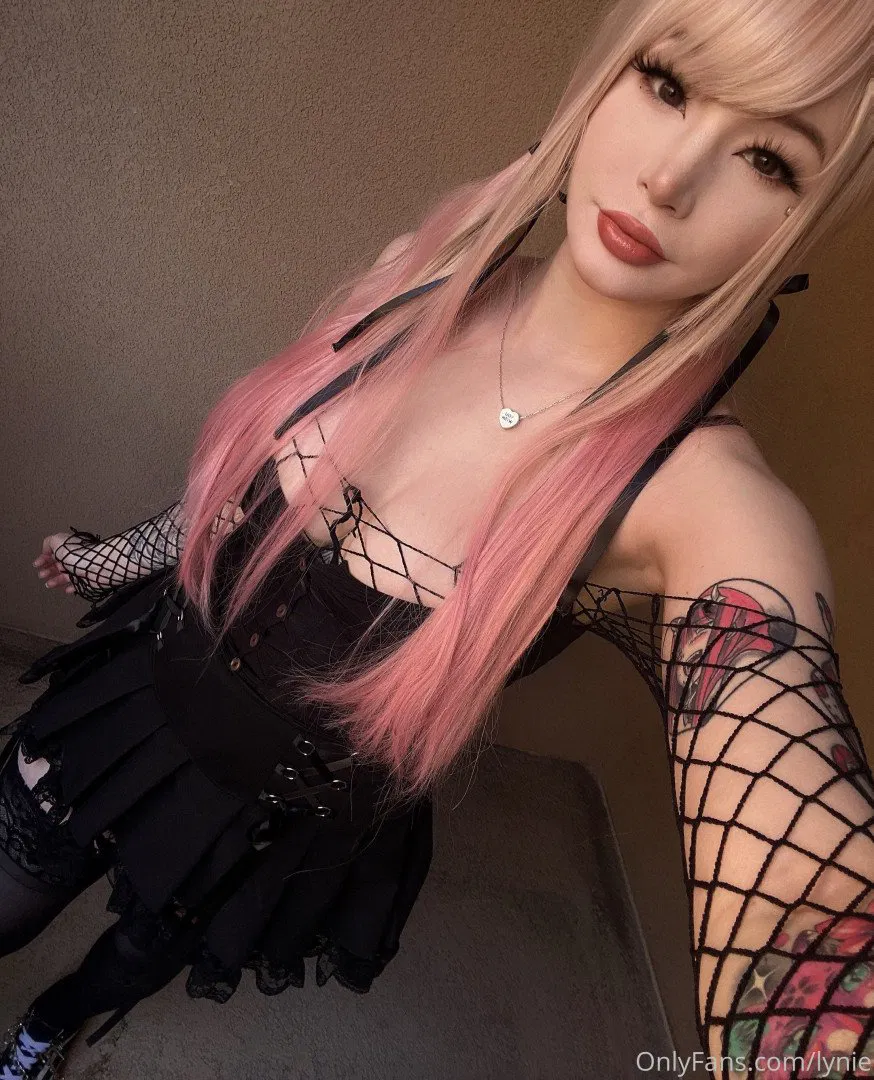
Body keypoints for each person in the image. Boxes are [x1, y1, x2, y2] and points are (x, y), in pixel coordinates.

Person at [2, 0, 872, 1074]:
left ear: (804, 221)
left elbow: (801, 878)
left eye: (769, 160)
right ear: (604, 75)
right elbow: (251, 496)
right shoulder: (422, 277)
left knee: (134, 956)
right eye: (666, 83)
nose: (668, 178)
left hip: (271, 826)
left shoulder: (703, 500)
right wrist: (122, 557)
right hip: (140, 695)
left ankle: (42, 1033)